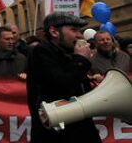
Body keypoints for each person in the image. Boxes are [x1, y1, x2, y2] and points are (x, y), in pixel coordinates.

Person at [27, 12, 101, 143]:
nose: (79, 35)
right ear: (54, 32)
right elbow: (63, 86)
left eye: (79, 30)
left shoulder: (69, 53)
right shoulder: (41, 52)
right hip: (57, 134)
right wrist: (81, 60)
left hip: (80, 130)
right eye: (73, 30)